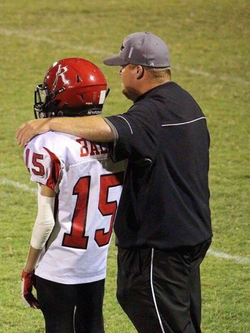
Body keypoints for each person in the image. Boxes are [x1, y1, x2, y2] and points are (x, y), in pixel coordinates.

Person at [17, 32, 213, 333]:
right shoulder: (185, 102)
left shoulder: (147, 115)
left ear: (139, 70)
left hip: (157, 246)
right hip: (192, 234)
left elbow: (112, 127)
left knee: (157, 317)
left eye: (123, 66)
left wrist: (48, 123)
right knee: (180, 321)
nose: (119, 74)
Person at [20, 57, 125, 333]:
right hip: (94, 263)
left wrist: (29, 268)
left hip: (58, 266)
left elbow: (45, 222)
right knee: (93, 327)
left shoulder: (49, 144)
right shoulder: (118, 137)